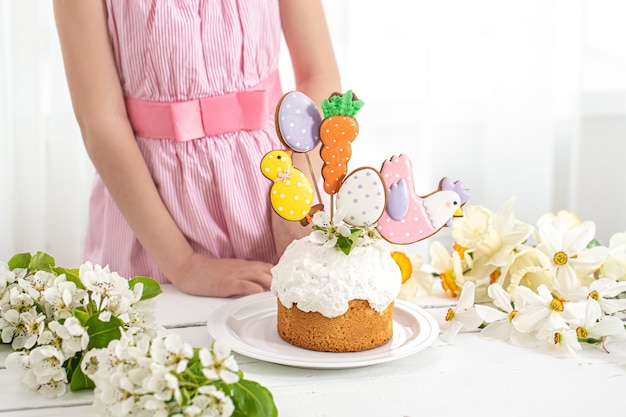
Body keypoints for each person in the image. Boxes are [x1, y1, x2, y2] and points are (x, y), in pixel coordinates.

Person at [53, 0, 341, 297]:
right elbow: (101, 122)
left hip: (272, 207)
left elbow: (318, 75)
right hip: (153, 228)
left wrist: (295, 196)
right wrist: (183, 264)